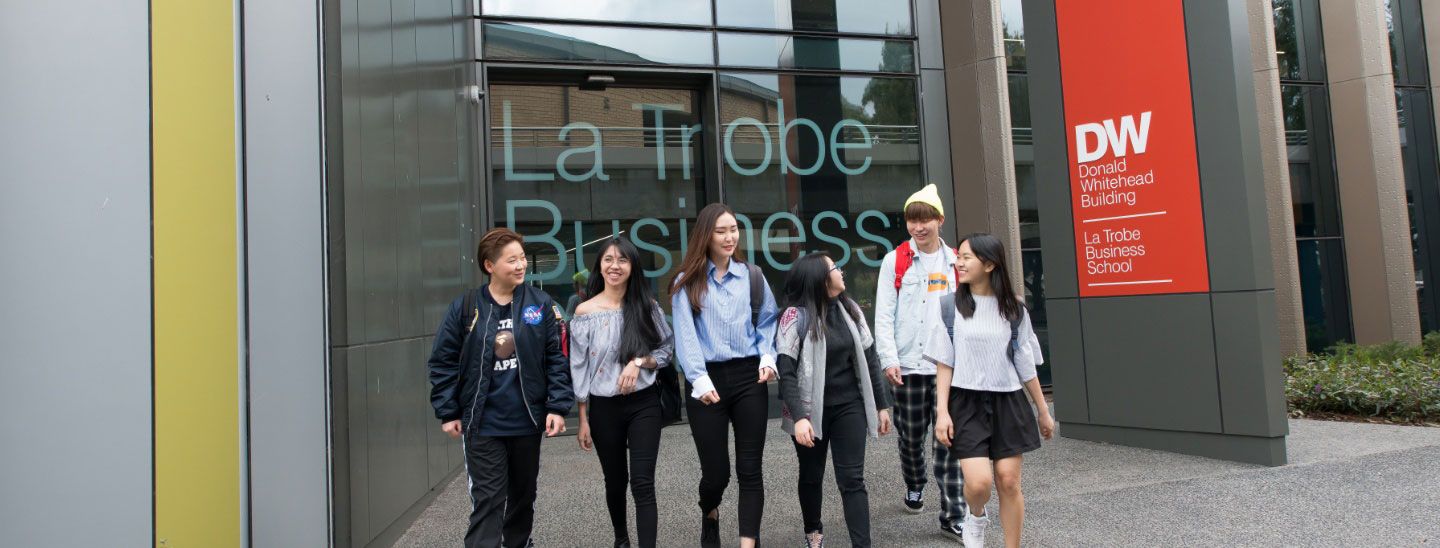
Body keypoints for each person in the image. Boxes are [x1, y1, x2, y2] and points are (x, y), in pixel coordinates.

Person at [427, 227, 573, 548]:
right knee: (489, 499)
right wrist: (448, 410)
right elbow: (443, 361)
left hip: (526, 421)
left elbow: (558, 359)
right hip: (482, 423)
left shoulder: (541, 305)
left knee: (523, 497)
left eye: (522, 258)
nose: (521, 265)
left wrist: (557, 406)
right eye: (512, 260)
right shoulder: (466, 307)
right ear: (489, 265)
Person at [924, 233, 1056, 548]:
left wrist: (1042, 410)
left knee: (1009, 482)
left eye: (967, 257)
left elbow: (1025, 363)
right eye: (959, 257)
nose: (959, 262)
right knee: (979, 483)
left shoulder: (1014, 310)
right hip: (965, 401)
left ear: (990, 264)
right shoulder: (948, 307)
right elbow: (945, 363)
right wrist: (942, 412)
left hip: (1009, 401)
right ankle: (975, 514)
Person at [670, 203, 779, 548]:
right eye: (721, 231)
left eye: (733, 229)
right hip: (707, 380)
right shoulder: (686, 283)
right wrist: (698, 379)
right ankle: (710, 511)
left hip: (749, 376)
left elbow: (767, 322)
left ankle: (749, 542)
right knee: (716, 473)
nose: (730, 236)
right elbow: (686, 337)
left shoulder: (753, 276)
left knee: (751, 468)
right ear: (706, 235)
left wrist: (767, 356)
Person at [776, 253, 894, 548]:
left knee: (852, 479)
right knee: (812, 475)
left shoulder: (850, 309)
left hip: (849, 404)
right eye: (834, 268)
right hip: (808, 409)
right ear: (819, 278)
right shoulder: (795, 317)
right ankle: (813, 531)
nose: (841, 272)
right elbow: (787, 371)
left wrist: (881, 405)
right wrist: (800, 416)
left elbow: (869, 356)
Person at [872, 183, 969, 539]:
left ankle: (952, 513)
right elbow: (883, 314)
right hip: (908, 367)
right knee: (911, 438)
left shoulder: (957, 261)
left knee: (948, 439)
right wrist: (888, 359)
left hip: (948, 367)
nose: (919, 227)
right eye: (913, 220)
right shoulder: (894, 260)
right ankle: (914, 483)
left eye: (926, 219)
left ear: (939, 220)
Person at [570, 237, 674, 548]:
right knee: (615, 482)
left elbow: (667, 349)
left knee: (643, 483)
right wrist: (583, 419)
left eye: (623, 260)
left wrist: (640, 362)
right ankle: (621, 538)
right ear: (599, 266)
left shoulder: (647, 306)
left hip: (644, 404)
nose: (615, 266)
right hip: (603, 408)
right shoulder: (585, 312)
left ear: (632, 267)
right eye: (609, 260)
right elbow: (579, 368)